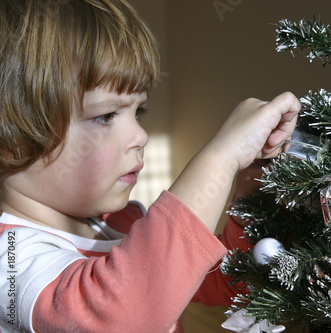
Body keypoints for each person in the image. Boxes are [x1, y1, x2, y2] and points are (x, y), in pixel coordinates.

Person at [0, 0, 300, 332]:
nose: (141, 135)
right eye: (105, 116)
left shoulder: (124, 222)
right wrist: (219, 159)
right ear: (12, 140)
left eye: (138, 112)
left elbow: (230, 279)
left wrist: (249, 189)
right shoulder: (10, 260)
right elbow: (120, 317)